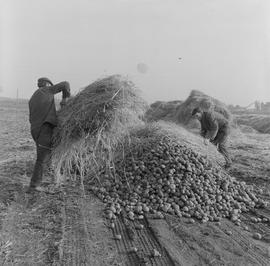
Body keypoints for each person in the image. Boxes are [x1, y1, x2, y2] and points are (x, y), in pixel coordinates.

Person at [27, 77, 71, 192]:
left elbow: (34, 116)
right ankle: (34, 185)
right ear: (47, 84)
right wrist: (65, 100)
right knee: (42, 159)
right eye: (50, 85)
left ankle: (52, 177)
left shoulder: (32, 98)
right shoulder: (46, 90)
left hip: (35, 130)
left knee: (46, 154)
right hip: (44, 128)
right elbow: (65, 84)